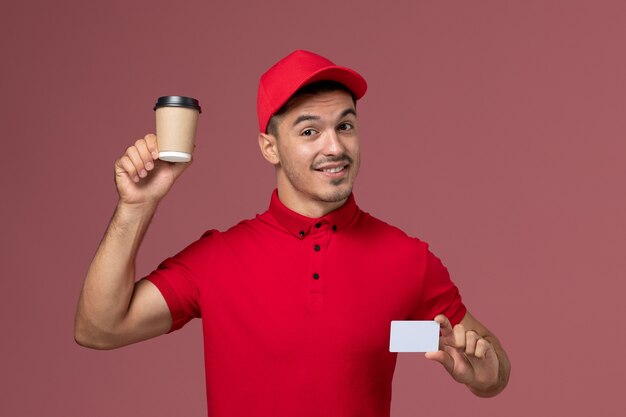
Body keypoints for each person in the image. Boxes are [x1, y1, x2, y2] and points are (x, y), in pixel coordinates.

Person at [75, 50, 510, 416]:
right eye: (309, 131)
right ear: (270, 147)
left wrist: (486, 374)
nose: (335, 147)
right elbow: (99, 328)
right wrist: (136, 206)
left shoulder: (407, 258)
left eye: (345, 125)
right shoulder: (217, 259)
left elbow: (489, 362)